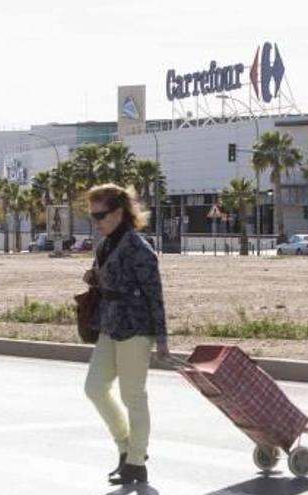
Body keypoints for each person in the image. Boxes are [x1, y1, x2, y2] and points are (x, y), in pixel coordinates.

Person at [82, 184, 169, 486]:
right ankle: (125, 447)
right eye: (92, 216)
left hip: (135, 327)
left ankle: (136, 462)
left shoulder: (138, 248)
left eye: (100, 215)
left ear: (119, 213)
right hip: (109, 325)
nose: (96, 222)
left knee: (133, 396)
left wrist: (162, 339)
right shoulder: (105, 244)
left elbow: (154, 294)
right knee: (94, 387)